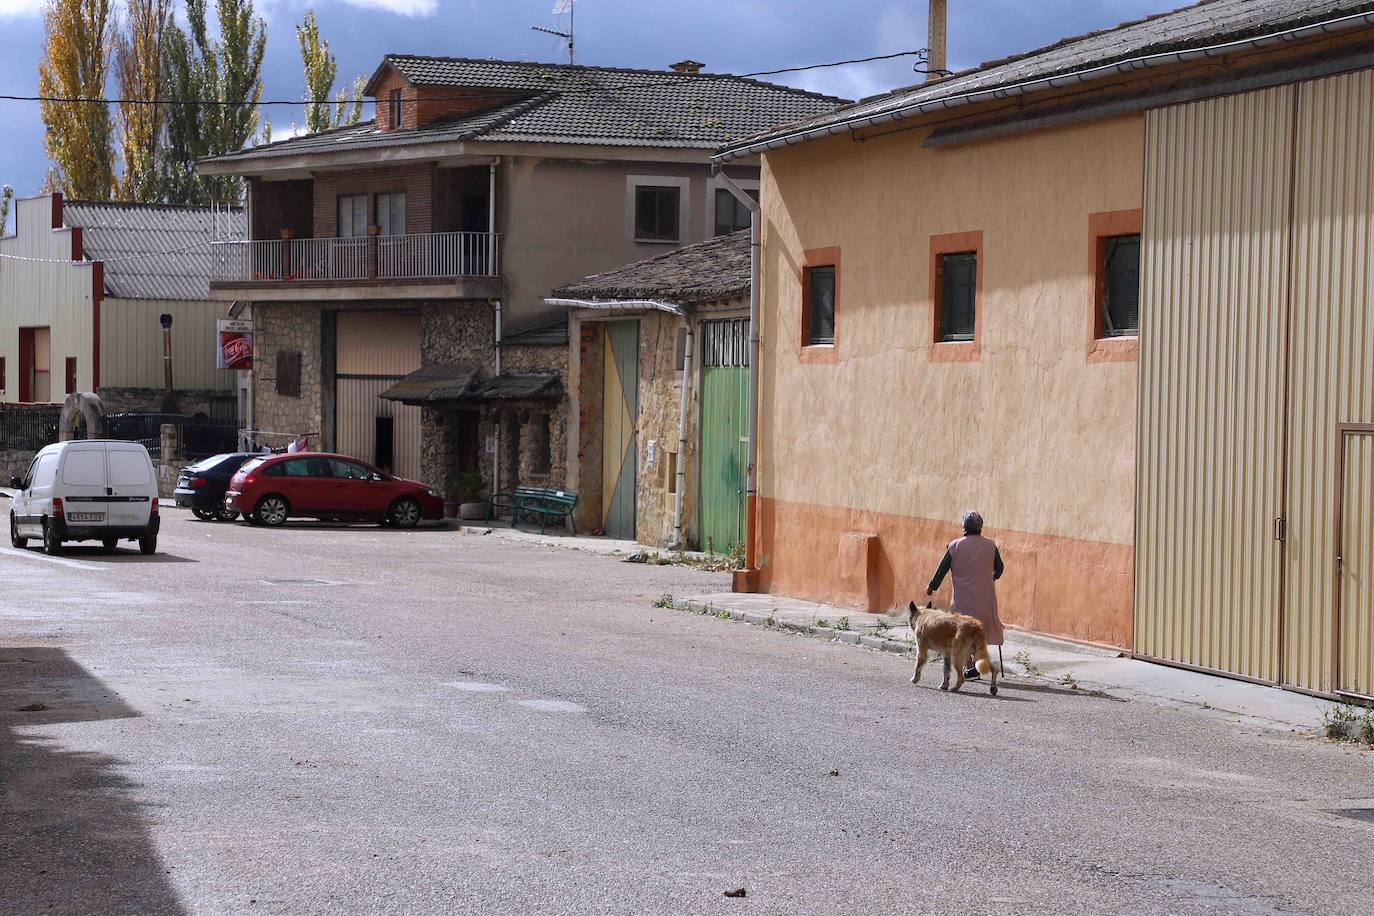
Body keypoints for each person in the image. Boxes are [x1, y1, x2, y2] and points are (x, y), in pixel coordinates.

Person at [926, 510, 1005, 679]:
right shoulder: (991, 546)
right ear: (980, 526)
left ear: (963, 526)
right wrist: (993, 577)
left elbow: (942, 569)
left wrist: (932, 586)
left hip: (962, 599)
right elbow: (1000, 568)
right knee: (980, 629)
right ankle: (977, 664)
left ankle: (970, 666)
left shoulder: (955, 546)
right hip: (985, 598)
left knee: (962, 632)